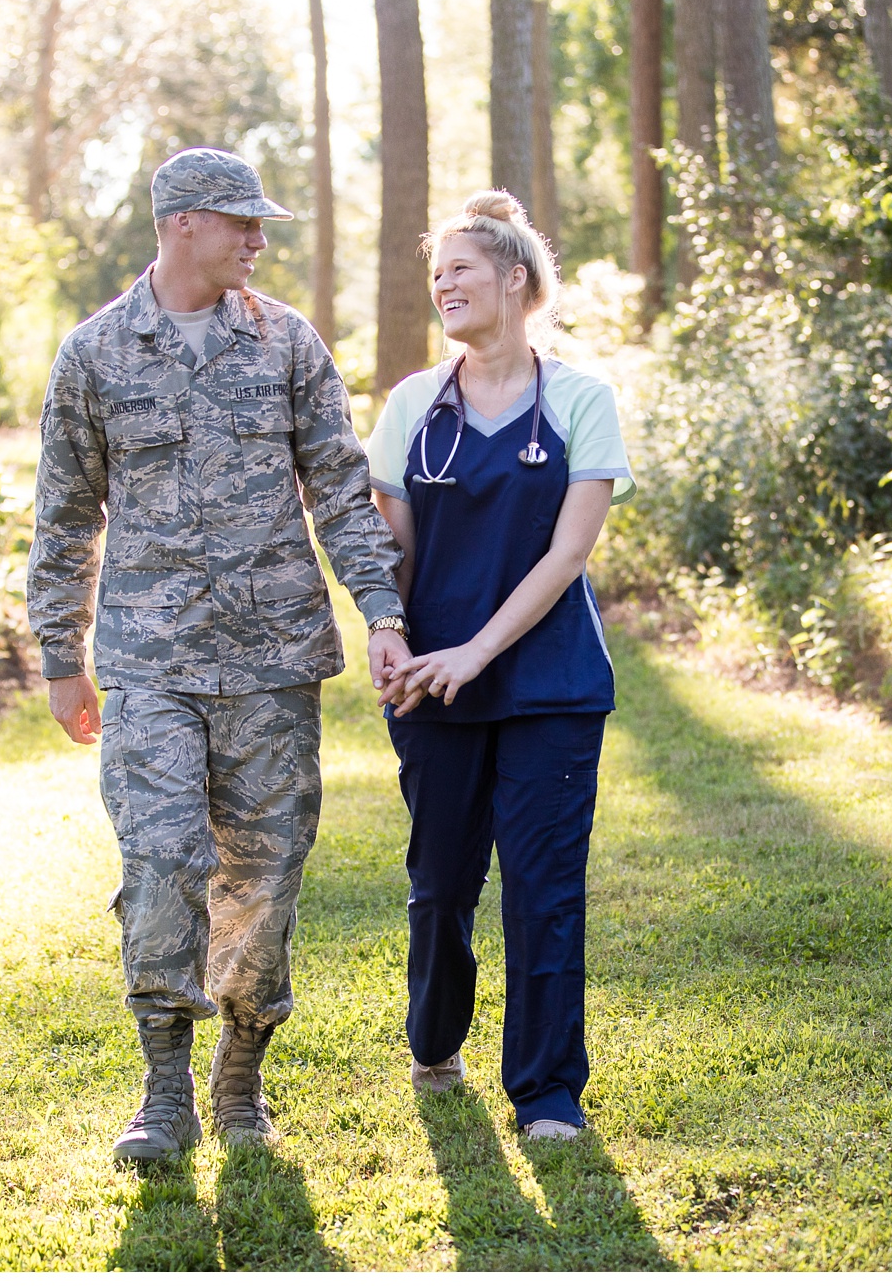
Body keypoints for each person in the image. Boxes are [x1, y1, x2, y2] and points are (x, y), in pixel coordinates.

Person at [27, 147, 411, 1161]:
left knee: (264, 876)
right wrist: (59, 652)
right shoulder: (96, 353)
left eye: (260, 223)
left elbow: (338, 485)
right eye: (241, 221)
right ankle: (164, 1091)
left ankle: (239, 1075)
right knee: (162, 864)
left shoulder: (286, 342)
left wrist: (380, 609)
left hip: (271, 658)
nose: (258, 238)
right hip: (150, 661)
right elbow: (64, 514)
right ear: (180, 223)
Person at [363, 191, 635, 1141]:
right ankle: (435, 1035)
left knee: (542, 886)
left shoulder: (580, 401)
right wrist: (384, 630)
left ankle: (548, 1089)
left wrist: (478, 652)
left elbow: (568, 556)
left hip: (547, 686)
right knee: (441, 883)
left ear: (516, 279)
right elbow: (385, 545)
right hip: (431, 684)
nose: (443, 284)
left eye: (462, 269)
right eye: (435, 273)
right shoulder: (410, 406)